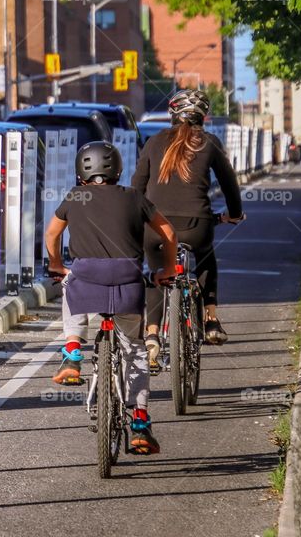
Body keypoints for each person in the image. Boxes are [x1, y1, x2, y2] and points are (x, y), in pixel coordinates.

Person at [47, 141, 177, 455]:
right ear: (118, 170)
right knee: (134, 351)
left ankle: (73, 351)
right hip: (128, 280)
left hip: (87, 278)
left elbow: (52, 234)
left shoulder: (75, 196)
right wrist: (167, 269)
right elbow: (169, 233)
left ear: (81, 173)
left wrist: (55, 265)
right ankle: (141, 423)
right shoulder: (135, 197)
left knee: (69, 282)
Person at [133, 89, 244, 361]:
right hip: (197, 226)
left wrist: (135, 221)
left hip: (156, 228)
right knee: (206, 257)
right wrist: (235, 213)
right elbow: (229, 184)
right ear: (202, 116)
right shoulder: (210, 142)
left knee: (157, 271)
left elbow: (137, 188)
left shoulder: (154, 142)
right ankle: (211, 320)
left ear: (172, 114)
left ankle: (152, 335)